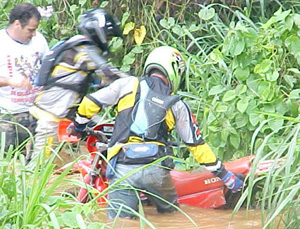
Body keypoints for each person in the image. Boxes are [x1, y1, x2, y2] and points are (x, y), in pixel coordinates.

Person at [68, 46, 244, 219]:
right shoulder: (177, 104)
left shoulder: (127, 84)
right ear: (174, 72)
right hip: (156, 170)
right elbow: (196, 145)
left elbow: (90, 102)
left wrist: (78, 127)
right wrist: (223, 174)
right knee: (171, 217)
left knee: (120, 222)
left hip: (123, 167)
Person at [27, 9, 129, 165]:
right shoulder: (82, 50)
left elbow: (100, 80)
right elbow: (109, 74)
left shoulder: (75, 46)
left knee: (103, 129)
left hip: (67, 114)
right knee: (38, 170)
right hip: (52, 117)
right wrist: (140, 82)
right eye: (108, 36)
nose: (107, 41)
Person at [0, 3, 49, 153]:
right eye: (30, 30)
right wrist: (8, 81)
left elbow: (49, 66)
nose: (33, 34)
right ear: (17, 24)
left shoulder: (39, 40)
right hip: (7, 115)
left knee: (32, 162)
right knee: (7, 162)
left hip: (35, 111)